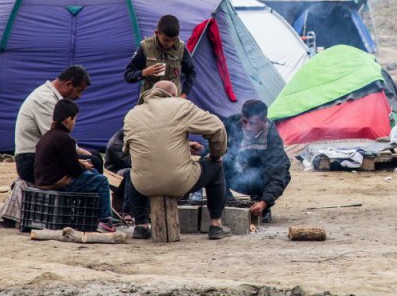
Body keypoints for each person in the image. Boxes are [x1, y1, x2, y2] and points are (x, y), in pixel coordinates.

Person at [123, 80, 231, 240]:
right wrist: (216, 154)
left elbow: (135, 148)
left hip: (143, 185)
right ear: (173, 95)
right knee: (215, 168)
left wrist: (183, 145)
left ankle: (140, 226)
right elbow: (217, 127)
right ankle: (216, 225)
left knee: (135, 173)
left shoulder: (132, 113)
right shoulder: (180, 106)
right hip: (178, 182)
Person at [34, 99, 115, 233]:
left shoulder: (47, 136)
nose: (74, 123)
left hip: (43, 180)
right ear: (67, 120)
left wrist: (81, 163)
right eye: (74, 119)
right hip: (57, 182)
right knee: (101, 181)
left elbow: (62, 161)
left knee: (93, 173)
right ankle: (105, 219)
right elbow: (74, 171)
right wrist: (83, 167)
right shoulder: (65, 139)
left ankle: (99, 215)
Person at [14, 65, 101, 184]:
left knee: (95, 155)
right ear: (68, 84)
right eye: (79, 91)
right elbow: (55, 138)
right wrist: (79, 153)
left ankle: (91, 196)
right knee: (93, 161)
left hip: (42, 156)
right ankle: (90, 198)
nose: (79, 96)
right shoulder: (45, 100)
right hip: (31, 161)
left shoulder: (51, 96)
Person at [223, 100, 291, 224]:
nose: (247, 128)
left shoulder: (272, 139)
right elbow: (213, 140)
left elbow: (276, 177)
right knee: (215, 164)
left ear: (264, 121)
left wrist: (265, 202)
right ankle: (228, 203)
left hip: (259, 179)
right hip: (238, 174)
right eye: (244, 122)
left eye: (252, 124)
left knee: (283, 173)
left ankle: (261, 205)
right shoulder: (232, 123)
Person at [124, 15, 196, 99]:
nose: (170, 44)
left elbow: (191, 72)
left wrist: (184, 94)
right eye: (166, 40)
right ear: (157, 33)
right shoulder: (146, 47)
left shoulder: (181, 48)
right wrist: (145, 72)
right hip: (150, 101)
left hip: (173, 102)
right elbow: (128, 76)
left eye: (173, 40)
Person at [104, 128, 133, 222]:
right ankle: (127, 211)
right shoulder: (115, 144)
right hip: (114, 176)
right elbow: (129, 163)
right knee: (131, 172)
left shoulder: (130, 138)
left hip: (123, 171)